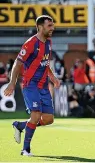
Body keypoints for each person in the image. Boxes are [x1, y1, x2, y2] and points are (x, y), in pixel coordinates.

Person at [4, 15, 60, 156]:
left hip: (43, 86)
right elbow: (17, 63)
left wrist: (52, 77)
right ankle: (25, 149)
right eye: (49, 26)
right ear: (40, 27)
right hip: (30, 85)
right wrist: (12, 82)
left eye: (52, 25)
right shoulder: (30, 44)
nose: (52, 28)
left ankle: (20, 125)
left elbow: (45, 63)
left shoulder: (48, 42)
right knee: (35, 114)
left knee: (48, 119)